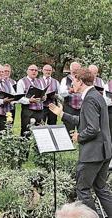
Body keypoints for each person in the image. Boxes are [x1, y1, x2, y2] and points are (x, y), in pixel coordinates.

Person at [49, 68, 112, 216]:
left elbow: (92, 129)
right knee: (101, 189)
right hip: (104, 151)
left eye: (74, 80)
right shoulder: (97, 95)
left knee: (83, 190)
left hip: (92, 154)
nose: (72, 84)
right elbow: (85, 121)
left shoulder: (89, 99)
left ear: (80, 81)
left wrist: (79, 137)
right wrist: (62, 114)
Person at [16, 64, 45, 136]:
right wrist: (29, 100)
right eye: (32, 70)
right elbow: (19, 98)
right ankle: (25, 147)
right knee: (26, 131)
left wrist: (44, 97)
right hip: (28, 110)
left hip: (39, 110)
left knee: (40, 132)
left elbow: (43, 93)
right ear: (27, 71)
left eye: (36, 70)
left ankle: (37, 147)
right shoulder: (21, 82)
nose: (34, 72)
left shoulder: (40, 81)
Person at [59, 62, 82, 133]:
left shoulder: (83, 79)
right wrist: (69, 91)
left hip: (81, 108)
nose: (76, 71)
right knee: (68, 131)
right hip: (69, 108)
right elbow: (61, 93)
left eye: (78, 69)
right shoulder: (65, 80)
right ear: (71, 70)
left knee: (82, 130)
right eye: (74, 69)